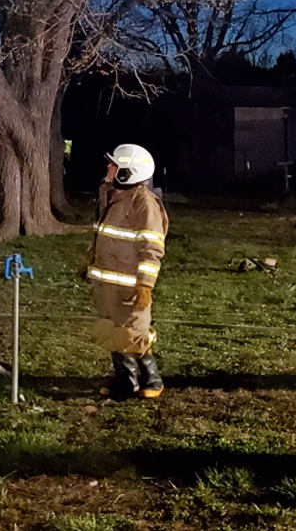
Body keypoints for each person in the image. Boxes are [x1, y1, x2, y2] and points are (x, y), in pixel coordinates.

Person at [86, 143, 168, 400]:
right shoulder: (112, 195)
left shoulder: (143, 203)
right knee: (113, 332)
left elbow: (152, 247)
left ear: (128, 172)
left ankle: (152, 379)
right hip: (107, 282)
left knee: (133, 333)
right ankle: (126, 382)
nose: (109, 167)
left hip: (130, 285)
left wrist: (145, 285)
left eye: (115, 164)